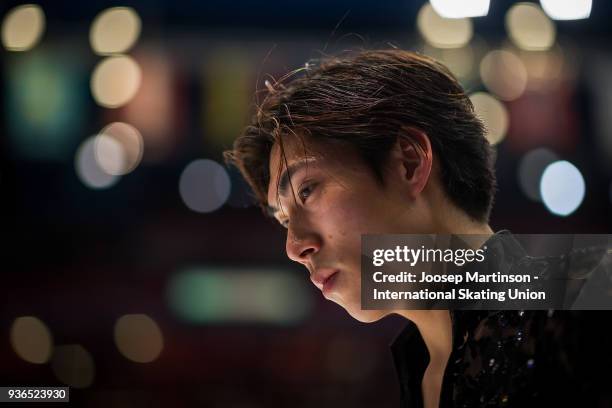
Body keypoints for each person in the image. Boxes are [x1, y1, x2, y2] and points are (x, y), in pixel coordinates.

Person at [224, 49, 612, 407]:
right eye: (285, 219)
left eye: (308, 190)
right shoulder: (419, 370)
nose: (294, 246)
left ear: (408, 161)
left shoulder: (580, 301)